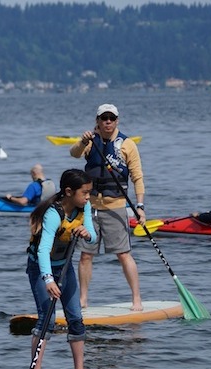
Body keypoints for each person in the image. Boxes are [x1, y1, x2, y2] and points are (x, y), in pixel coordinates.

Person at [26, 168, 104, 369]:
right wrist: (48, 280)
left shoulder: (84, 207)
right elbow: (43, 251)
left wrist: (87, 234)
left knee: (76, 319)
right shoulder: (53, 214)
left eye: (90, 192)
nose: (88, 197)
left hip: (65, 267)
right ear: (69, 192)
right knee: (46, 321)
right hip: (42, 269)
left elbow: (93, 236)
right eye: (85, 193)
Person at [70, 103, 144, 311]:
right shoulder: (90, 141)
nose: (108, 122)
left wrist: (140, 206)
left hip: (116, 206)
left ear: (117, 120)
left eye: (112, 118)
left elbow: (137, 177)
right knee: (85, 255)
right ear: (98, 121)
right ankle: (83, 299)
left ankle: (136, 299)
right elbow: (74, 153)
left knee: (123, 254)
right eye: (104, 118)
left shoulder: (127, 145)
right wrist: (82, 140)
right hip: (90, 208)